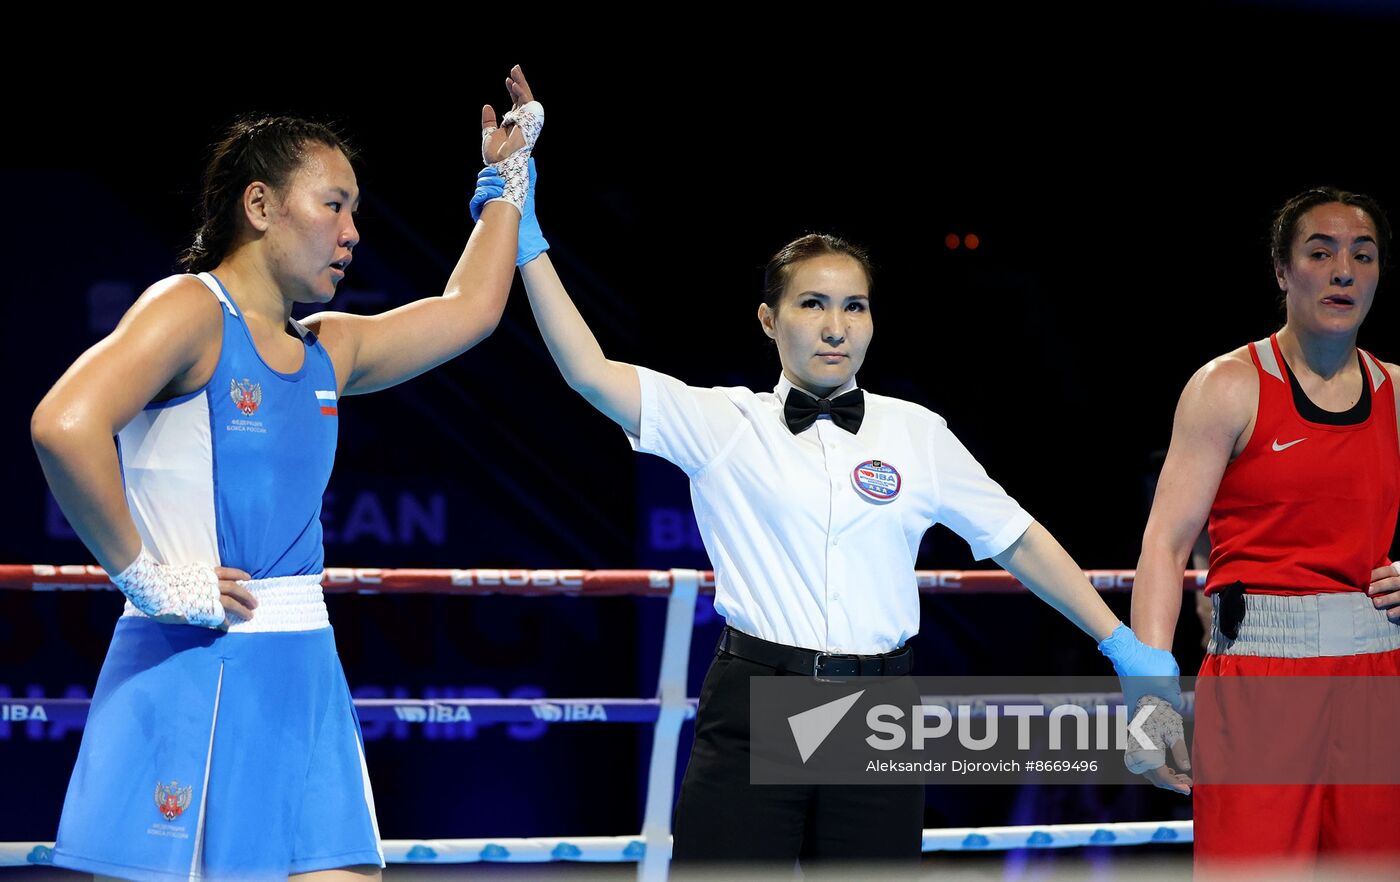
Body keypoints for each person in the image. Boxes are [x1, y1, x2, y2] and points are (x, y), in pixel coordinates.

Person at [489, 159, 1182, 870]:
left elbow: (1017, 539)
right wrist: (526, 241)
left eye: (854, 306)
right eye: (812, 304)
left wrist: (1124, 646)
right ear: (768, 318)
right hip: (756, 703)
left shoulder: (917, 432)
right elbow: (587, 369)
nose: (835, 326)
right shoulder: (724, 420)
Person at [28, 67, 541, 881]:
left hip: (304, 665)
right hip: (194, 660)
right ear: (260, 207)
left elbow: (470, 310)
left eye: (356, 212)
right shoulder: (188, 310)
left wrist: (507, 179)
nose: (352, 232)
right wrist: (147, 578)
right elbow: (63, 424)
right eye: (333, 205)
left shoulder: (328, 349)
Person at [1130, 186, 1400, 872]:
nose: (1344, 270)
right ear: (1282, 271)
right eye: (1321, 251)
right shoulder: (1229, 386)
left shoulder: (1399, 394)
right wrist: (1150, 692)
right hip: (1260, 682)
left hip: (1377, 679)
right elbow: (1163, 545)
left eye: (1361, 255)